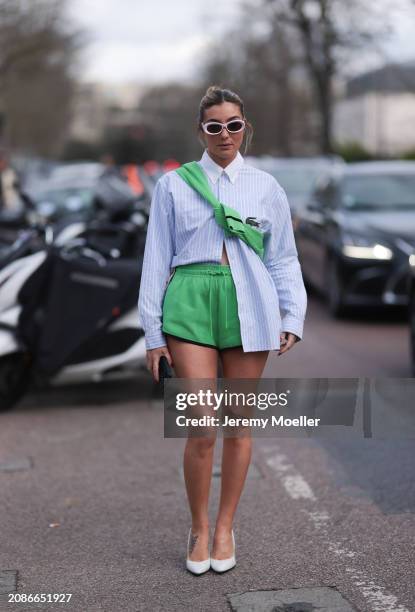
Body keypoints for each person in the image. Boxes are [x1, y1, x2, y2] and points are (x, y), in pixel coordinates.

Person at [137, 85, 307, 575]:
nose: (225, 133)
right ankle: (199, 527)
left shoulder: (266, 187)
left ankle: (227, 525)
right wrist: (152, 333)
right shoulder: (174, 185)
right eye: (214, 126)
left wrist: (291, 316)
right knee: (202, 425)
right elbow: (155, 260)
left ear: (244, 127)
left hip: (249, 300)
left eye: (234, 124)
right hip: (189, 298)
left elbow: (283, 258)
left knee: (238, 424)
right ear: (201, 131)